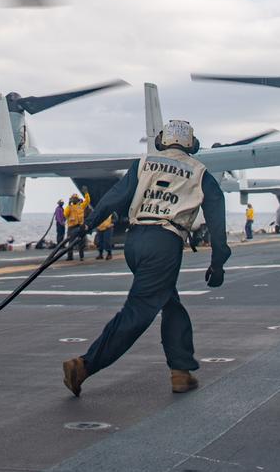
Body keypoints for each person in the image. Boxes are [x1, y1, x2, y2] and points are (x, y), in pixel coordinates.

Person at [62, 120, 229, 396]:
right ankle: (84, 365)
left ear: (163, 140)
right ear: (192, 145)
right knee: (138, 311)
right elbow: (217, 217)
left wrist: (88, 225)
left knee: (169, 303)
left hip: (135, 242)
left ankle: (181, 371)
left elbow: (114, 198)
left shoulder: (144, 164)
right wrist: (219, 262)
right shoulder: (200, 174)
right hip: (164, 243)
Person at [64, 194, 87, 261]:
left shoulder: (81, 206)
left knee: (81, 242)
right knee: (70, 242)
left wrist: (86, 194)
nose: (74, 200)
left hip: (80, 226)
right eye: (73, 198)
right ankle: (70, 256)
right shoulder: (69, 207)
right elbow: (65, 214)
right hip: (71, 227)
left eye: (75, 198)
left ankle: (81, 257)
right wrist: (69, 205)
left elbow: (87, 201)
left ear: (77, 200)